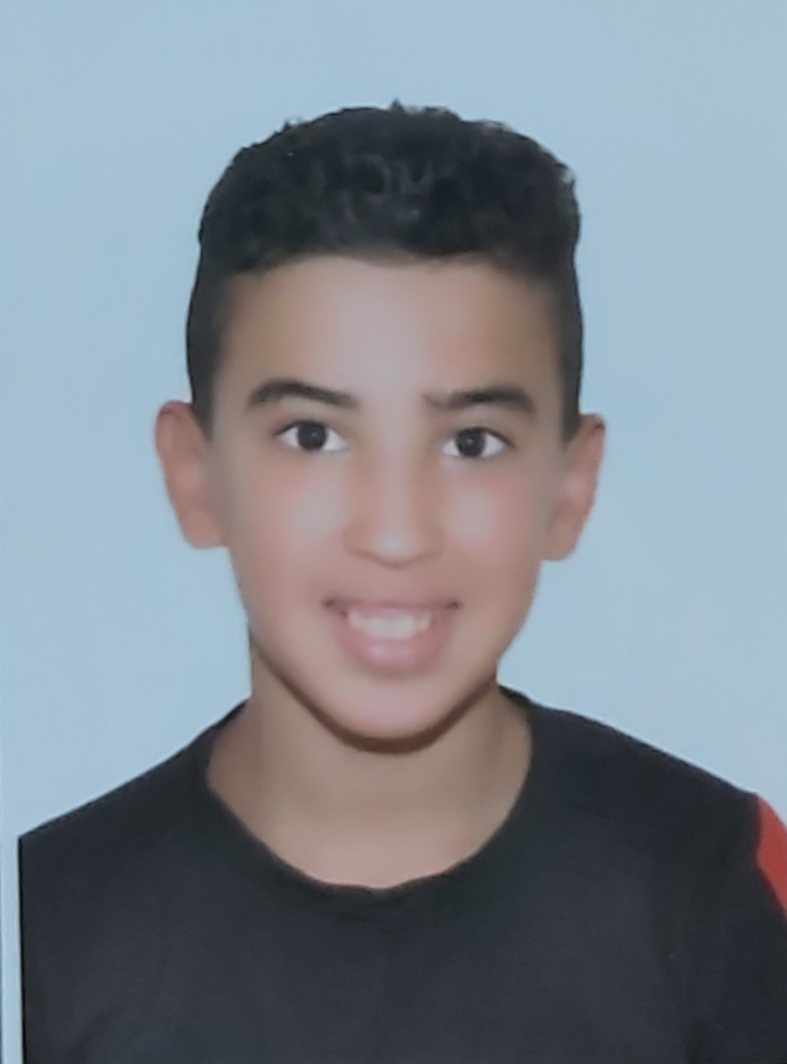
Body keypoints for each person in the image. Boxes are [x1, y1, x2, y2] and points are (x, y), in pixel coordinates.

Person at [18, 100, 787, 1063]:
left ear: (569, 486)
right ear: (195, 475)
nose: (395, 533)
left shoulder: (713, 884)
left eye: (472, 443)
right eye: (312, 436)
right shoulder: (42, 930)